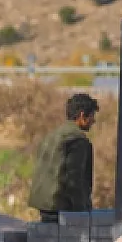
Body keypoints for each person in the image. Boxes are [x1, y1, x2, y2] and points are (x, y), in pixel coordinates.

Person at [29, 93, 99, 221]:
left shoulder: (52, 135)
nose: (93, 121)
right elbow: (74, 179)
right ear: (82, 116)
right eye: (92, 116)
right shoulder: (77, 140)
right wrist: (82, 211)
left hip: (44, 203)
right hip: (60, 206)